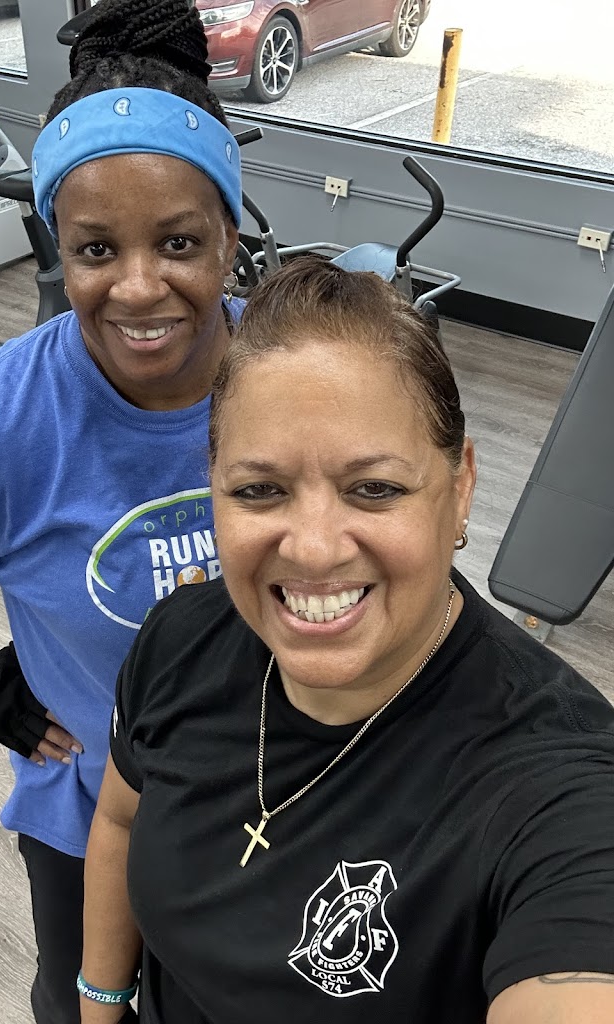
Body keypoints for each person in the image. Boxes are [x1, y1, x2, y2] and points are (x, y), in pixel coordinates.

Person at [82, 256, 614, 1024]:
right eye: (259, 489)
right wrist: (100, 1003)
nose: (313, 548)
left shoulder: (561, 792)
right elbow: (119, 820)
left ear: (460, 488)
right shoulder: (179, 640)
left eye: (375, 488)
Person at [0, 2, 243, 1022]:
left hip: (278, 801)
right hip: (94, 818)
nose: (139, 288)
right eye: (96, 249)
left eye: (180, 242)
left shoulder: (295, 373)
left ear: (230, 240)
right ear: (59, 247)